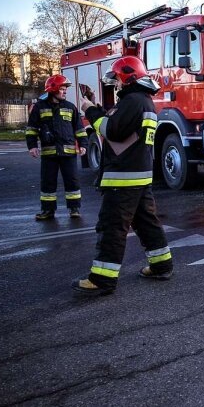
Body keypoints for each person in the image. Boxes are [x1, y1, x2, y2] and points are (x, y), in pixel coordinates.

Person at [72, 56, 172, 295]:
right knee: (147, 224)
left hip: (124, 177)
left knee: (112, 227)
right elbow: (122, 127)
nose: (115, 84)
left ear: (128, 77)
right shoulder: (142, 101)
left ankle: (102, 279)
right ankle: (161, 265)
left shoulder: (133, 101)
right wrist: (98, 107)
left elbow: (112, 130)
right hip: (138, 175)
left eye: (117, 79)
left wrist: (90, 110)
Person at [26, 75, 87, 220]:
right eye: (62, 89)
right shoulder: (39, 108)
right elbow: (31, 129)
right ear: (53, 89)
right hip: (49, 154)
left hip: (68, 153)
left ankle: (74, 209)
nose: (65, 92)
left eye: (65, 89)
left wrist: (83, 144)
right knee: (48, 182)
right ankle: (48, 211)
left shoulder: (70, 107)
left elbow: (79, 129)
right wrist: (32, 146)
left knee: (72, 181)